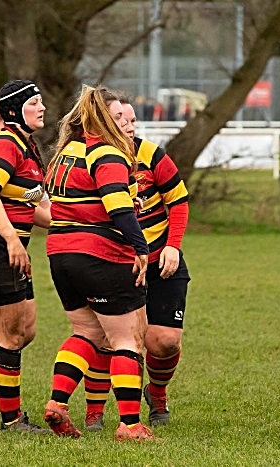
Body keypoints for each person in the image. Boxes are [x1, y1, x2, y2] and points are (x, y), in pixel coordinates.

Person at [42, 85, 154, 441]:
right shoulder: (105, 154)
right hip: (99, 254)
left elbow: (44, 199)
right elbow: (117, 205)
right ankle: (130, 425)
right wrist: (141, 247)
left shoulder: (64, 153)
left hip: (59, 255)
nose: (124, 123)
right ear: (104, 118)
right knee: (125, 340)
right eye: (118, 116)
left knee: (87, 333)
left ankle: (57, 404)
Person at [81, 94, 190, 430]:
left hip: (159, 260)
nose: (129, 127)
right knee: (105, 336)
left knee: (164, 341)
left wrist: (173, 246)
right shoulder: (90, 157)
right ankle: (94, 412)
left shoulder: (151, 155)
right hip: (113, 262)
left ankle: (156, 393)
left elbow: (179, 200)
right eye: (121, 120)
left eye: (132, 121)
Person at [0, 80, 49, 432]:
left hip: (9, 247)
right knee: (9, 335)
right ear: (13, 110)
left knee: (25, 329)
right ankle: (11, 421)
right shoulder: (5, 144)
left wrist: (82, 223)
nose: (43, 108)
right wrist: (11, 239)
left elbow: (32, 207)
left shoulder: (26, 146)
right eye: (35, 102)